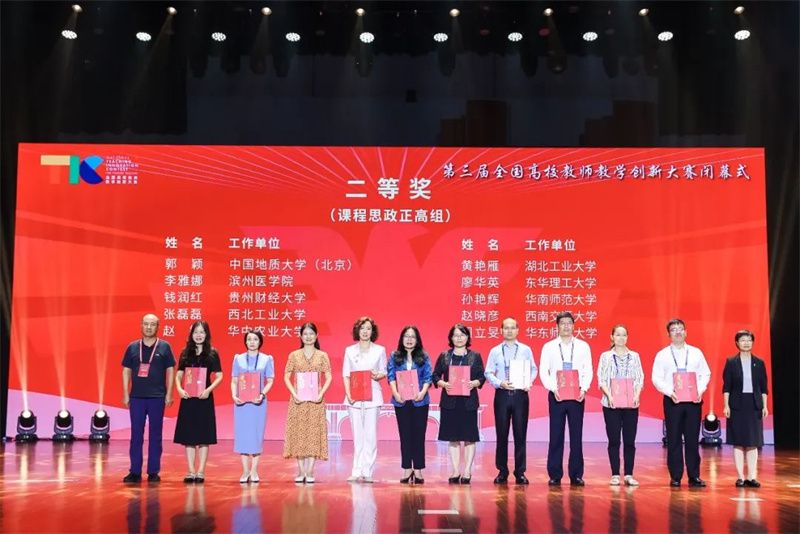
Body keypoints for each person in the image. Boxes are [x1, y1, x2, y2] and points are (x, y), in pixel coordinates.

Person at [651, 318, 711, 487]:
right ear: (669, 334)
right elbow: (656, 378)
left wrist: (700, 391)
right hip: (673, 400)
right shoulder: (662, 354)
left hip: (693, 401)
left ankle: (694, 476)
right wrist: (670, 392)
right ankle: (676, 476)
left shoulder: (696, 352)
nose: (677, 332)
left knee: (692, 438)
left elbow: (705, 373)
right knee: (674, 438)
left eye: (680, 329)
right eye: (673, 329)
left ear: (686, 332)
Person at [539, 311, 593, 486]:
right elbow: (544, 371)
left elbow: (588, 369)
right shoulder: (549, 347)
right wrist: (553, 388)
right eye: (562, 323)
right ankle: (555, 474)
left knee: (576, 436)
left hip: (577, 396)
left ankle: (576, 474)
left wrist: (584, 388)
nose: (566, 326)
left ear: (574, 326)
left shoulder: (583, 346)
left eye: (569, 323)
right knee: (556, 435)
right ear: (557, 326)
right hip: (557, 395)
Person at [122, 313, 176, 483]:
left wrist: (169, 393)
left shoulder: (164, 347)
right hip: (137, 397)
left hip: (157, 397)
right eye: (146, 324)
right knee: (136, 435)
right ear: (141, 325)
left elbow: (170, 370)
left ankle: (153, 471)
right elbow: (126, 371)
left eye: (152, 324)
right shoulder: (132, 347)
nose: (149, 327)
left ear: (158, 327)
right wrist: (125, 393)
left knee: (155, 435)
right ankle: (134, 471)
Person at [484, 317, 537, 485]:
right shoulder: (495, 351)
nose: (509, 330)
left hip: (520, 395)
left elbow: (533, 369)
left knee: (520, 435)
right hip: (502, 395)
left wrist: (528, 382)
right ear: (501, 330)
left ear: (517, 330)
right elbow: (488, 372)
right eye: (506, 328)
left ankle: (520, 472)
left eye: (512, 327)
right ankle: (502, 471)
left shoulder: (525, 350)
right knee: (502, 435)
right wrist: (500, 383)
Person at [432, 323, 485, 484]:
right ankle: (455, 470)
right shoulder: (444, 356)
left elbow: (482, 376)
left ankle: (467, 471)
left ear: (467, 337)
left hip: (469, 402)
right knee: (453, 438)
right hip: (450, 402)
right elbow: (435, 375)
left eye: (462, 335)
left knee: (469, 438)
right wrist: (443, 384)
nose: (459, 338)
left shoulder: (475, 356)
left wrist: (475, 382)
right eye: (455, 335)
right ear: (451, 338)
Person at [174, 320, 224, 484]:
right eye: (196, 332)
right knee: (189, 437)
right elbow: (179, 375)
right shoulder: (185, 353)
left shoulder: (212, 353)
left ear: (206, 334)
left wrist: (208, 390)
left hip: (204, 398)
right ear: (191, 334)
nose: (199, 335)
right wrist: (179, 389)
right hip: (188, 398)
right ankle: (190, 471)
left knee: (203, 437)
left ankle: (201, 471)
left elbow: (219, 376)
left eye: (202, 332)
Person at [283, 322, 333, 483]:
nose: (308, 337)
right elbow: (286, 376)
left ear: (316, 336)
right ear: (300, 336)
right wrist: (294, 393)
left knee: (313, 434)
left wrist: (321, 393)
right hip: (298, 401)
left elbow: (329, 376)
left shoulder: (322, 355)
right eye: (305, 334)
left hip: (315, 401)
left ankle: (310, 471)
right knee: (299, 434)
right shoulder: (294, 355)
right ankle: (301, 471)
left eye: (311, 333)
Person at [596, 324, 645, 486]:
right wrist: (609, 396)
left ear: (627, 337)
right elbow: (601, 379)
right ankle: (615, 474)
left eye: (624, 335)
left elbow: (640, 378)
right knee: (614, 440)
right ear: (612, 337)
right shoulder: (605, 356)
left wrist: (636, 395)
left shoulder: (635, 356)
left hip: (631, 405)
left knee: (630, 441)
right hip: (611, 405)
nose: (621, 338)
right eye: (617, 335)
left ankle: (629, 474)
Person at [342, 317, 388, 483]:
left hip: (373, 395)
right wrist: (349, 394)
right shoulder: (349, 350)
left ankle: (367, 471)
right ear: (357, 330)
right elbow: (346, 374)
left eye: (368, 328)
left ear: (372, 331)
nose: (365, 331)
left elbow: (384, 371)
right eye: (362, 328)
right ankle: (356, 470)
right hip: (354, 397)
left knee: (370, 435)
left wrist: (378, 375)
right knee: (357, 435)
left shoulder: (380, 350)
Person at [387, 325, 433, 484]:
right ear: (402, 338)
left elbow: (428, 377)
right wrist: (395, 393)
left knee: (419, 436)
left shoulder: (424, 356)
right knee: (405, 435)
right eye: (406, 336)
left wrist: (422, 392)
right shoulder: (394, 356)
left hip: (420, 401)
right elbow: (391, 376)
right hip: (401, 401)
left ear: (417, 339)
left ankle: (418, 469)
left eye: (412, 336)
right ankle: (407, 468)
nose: (409, 339)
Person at [722, 330, 769, 488]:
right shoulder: (731, 362)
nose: (746, 343)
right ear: (737, 343)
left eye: (749, 340)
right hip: (737, 404)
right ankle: (741, 477)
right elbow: (726, 387)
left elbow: (763, 388)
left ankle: (752, 477)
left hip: (754, 405)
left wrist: (765, 406)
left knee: (753, 442)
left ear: (752, 342)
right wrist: (726, 405)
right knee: (738, 442)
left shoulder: (759, 363)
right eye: (743, 340)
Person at [231, 330, 275, 483]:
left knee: (256, 436)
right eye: (249, 339)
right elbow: (234, 380)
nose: (252, 342)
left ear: (260, 341)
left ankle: (254, 470)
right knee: (243, 436)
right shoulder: (238, 358)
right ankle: (245, 471)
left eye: (255, 339)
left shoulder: (266, 359)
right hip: (242, 403)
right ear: (245, 341)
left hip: (258, 403)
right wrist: (234, 395)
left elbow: (270, 381)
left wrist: (262, 394)